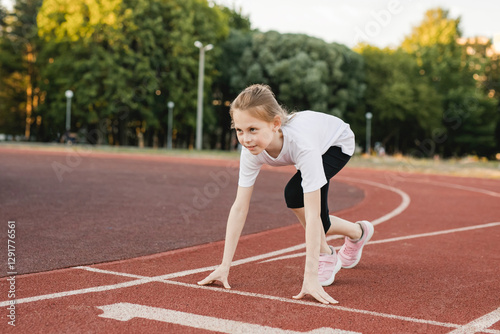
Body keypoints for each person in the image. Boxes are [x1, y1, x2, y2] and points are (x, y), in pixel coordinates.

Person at [198, 84, 374, 304]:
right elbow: (240, 206)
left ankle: (327, 255)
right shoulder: (251, 150)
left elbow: (312, 214)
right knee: (308, 208)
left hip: (336, 144)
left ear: (275, 125)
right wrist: (224, 266)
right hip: (314, 140)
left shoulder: (302, 145)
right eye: (239, 130)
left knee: (299, 197)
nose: (246, 139)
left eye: (253, 129)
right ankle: (358, 232)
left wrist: (310, 277)